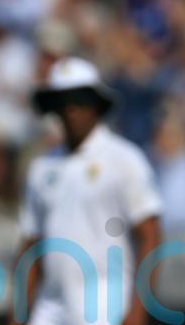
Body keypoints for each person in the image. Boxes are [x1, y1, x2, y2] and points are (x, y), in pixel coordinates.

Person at [11, 57, 163, 325]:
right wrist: (18, 314)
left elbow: (150, 237)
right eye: (62, 101)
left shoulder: (124, 158)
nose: (71, 110)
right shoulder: (41, 168)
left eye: (80, 99)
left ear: (96, 104)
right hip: (51, 307)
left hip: (105, 304)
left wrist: (137, 311)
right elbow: (30, 247)